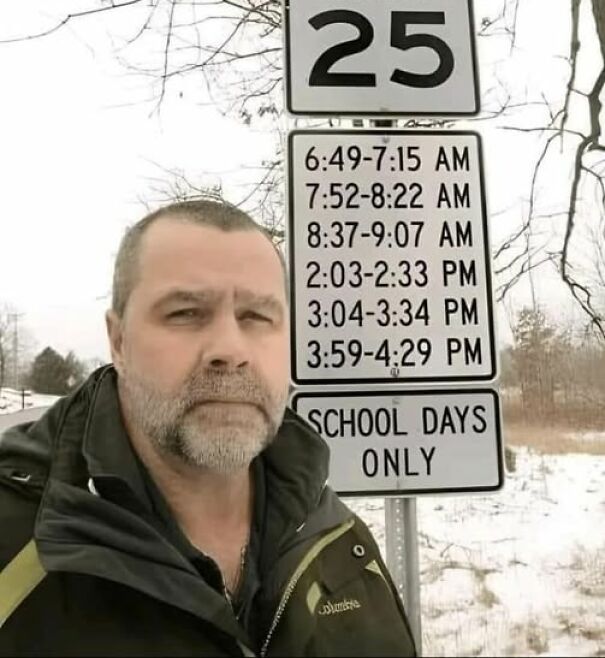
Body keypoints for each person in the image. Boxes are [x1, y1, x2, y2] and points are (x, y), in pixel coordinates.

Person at [0, 199, 416, 657]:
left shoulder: (335, 542)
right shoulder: (18, 548)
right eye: (186, 313)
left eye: (257, 316)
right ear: (118, 342)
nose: (230, 349)